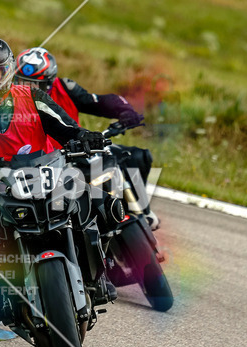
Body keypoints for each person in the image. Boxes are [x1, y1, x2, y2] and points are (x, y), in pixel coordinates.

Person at [0, 36, 110, 325]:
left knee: (103, 203)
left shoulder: (34, 98)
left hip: (48, 181)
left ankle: (99, 277)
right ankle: (0, 291)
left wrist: (85, 137)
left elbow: (70, 130)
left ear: (5, 73)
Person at [14, 47, 160, 230]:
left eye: (36, 85)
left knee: (137, 157)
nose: (29, 89)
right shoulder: (8, 104)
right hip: (46, 161)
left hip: (79, 149)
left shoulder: (66, 88)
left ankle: (141, 212)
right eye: (23, 82)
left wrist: (125, 111)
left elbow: (97, 102)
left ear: (50, 82)